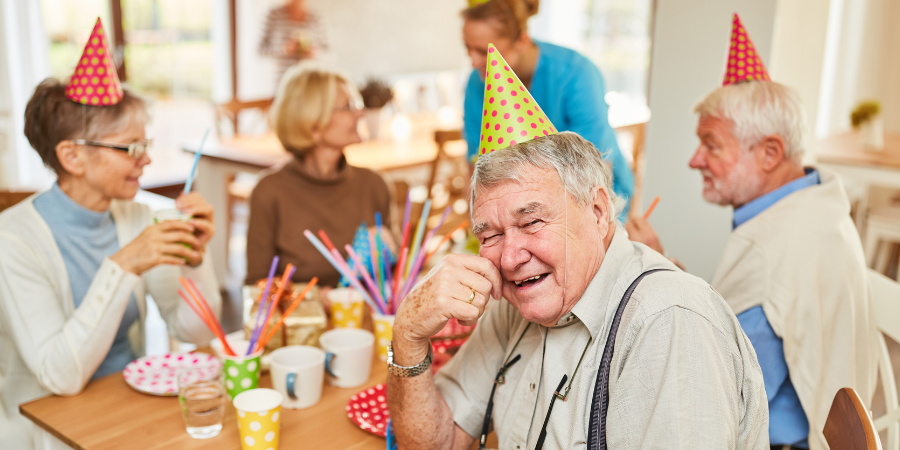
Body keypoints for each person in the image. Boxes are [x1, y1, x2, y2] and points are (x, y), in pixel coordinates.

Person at [386, 45, 767, 449]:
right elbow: (438, 442)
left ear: (599, 211)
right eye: (490, 235)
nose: (510, 257)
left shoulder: (668, 322)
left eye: (531, 221)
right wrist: (407, 335)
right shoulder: (515, 303)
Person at [625, 15, 877, 450]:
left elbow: (711, 383)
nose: (695, 160)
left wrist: (652, 274)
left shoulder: (769, 245)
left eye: (712, 145)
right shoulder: (815, 204)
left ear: (770, 152)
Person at [0, 20, 220, 449]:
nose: (146, 159)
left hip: (126, 411)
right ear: (72, 156)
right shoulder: (13, 241)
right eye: (130, 148)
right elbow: (59, 376)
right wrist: (123, 265)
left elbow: (194, 332)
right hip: (46, 431)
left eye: (145, 143)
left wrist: (195, 258)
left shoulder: (137, 217)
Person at [461, 0, 635, 212]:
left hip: (588, 198)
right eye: (467, 48)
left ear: (523, 41)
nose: (472, 60)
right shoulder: (476, 84)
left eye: (483, 52)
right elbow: (476, 161)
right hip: (520, 206)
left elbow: (592, 166)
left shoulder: (577, 73)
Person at [246, 63, 391, 289]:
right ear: (313, 124)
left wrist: (392, 253)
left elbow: (394, 279)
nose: (360, 112)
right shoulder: (269, 192)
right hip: (300, 322)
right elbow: (257, 285)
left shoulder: (375, 185)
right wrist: (312, 299)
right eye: (348, 106)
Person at [259, 0, 328, 84]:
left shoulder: (316, 17)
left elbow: (328, 52)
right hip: (283, 81)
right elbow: (260, 50)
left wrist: (315, 53)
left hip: (310, 81)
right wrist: (283, 49)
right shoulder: (274, 15)